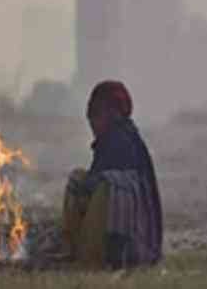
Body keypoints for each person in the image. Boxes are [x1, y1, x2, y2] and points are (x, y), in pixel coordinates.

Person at [61, 80, 163, 269]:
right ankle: (76, 249)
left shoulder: (122, 140)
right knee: (78, 178)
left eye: (95, 117)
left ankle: (97, 256)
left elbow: (104, 186)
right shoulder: (107, 141)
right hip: (109, 228)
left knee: (108, 185)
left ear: (110, 114)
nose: (92, 125)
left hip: (135, 242)